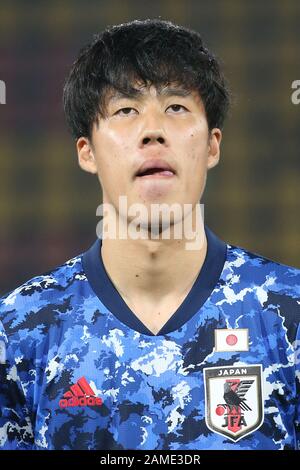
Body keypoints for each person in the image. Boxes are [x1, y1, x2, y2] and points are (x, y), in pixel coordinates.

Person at [0, 18, 299, 451]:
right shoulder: (18, 333)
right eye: (125, 110)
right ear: (87, 151)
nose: (153, 130)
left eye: (176, 107)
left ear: (213, 145)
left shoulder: (288, 317)